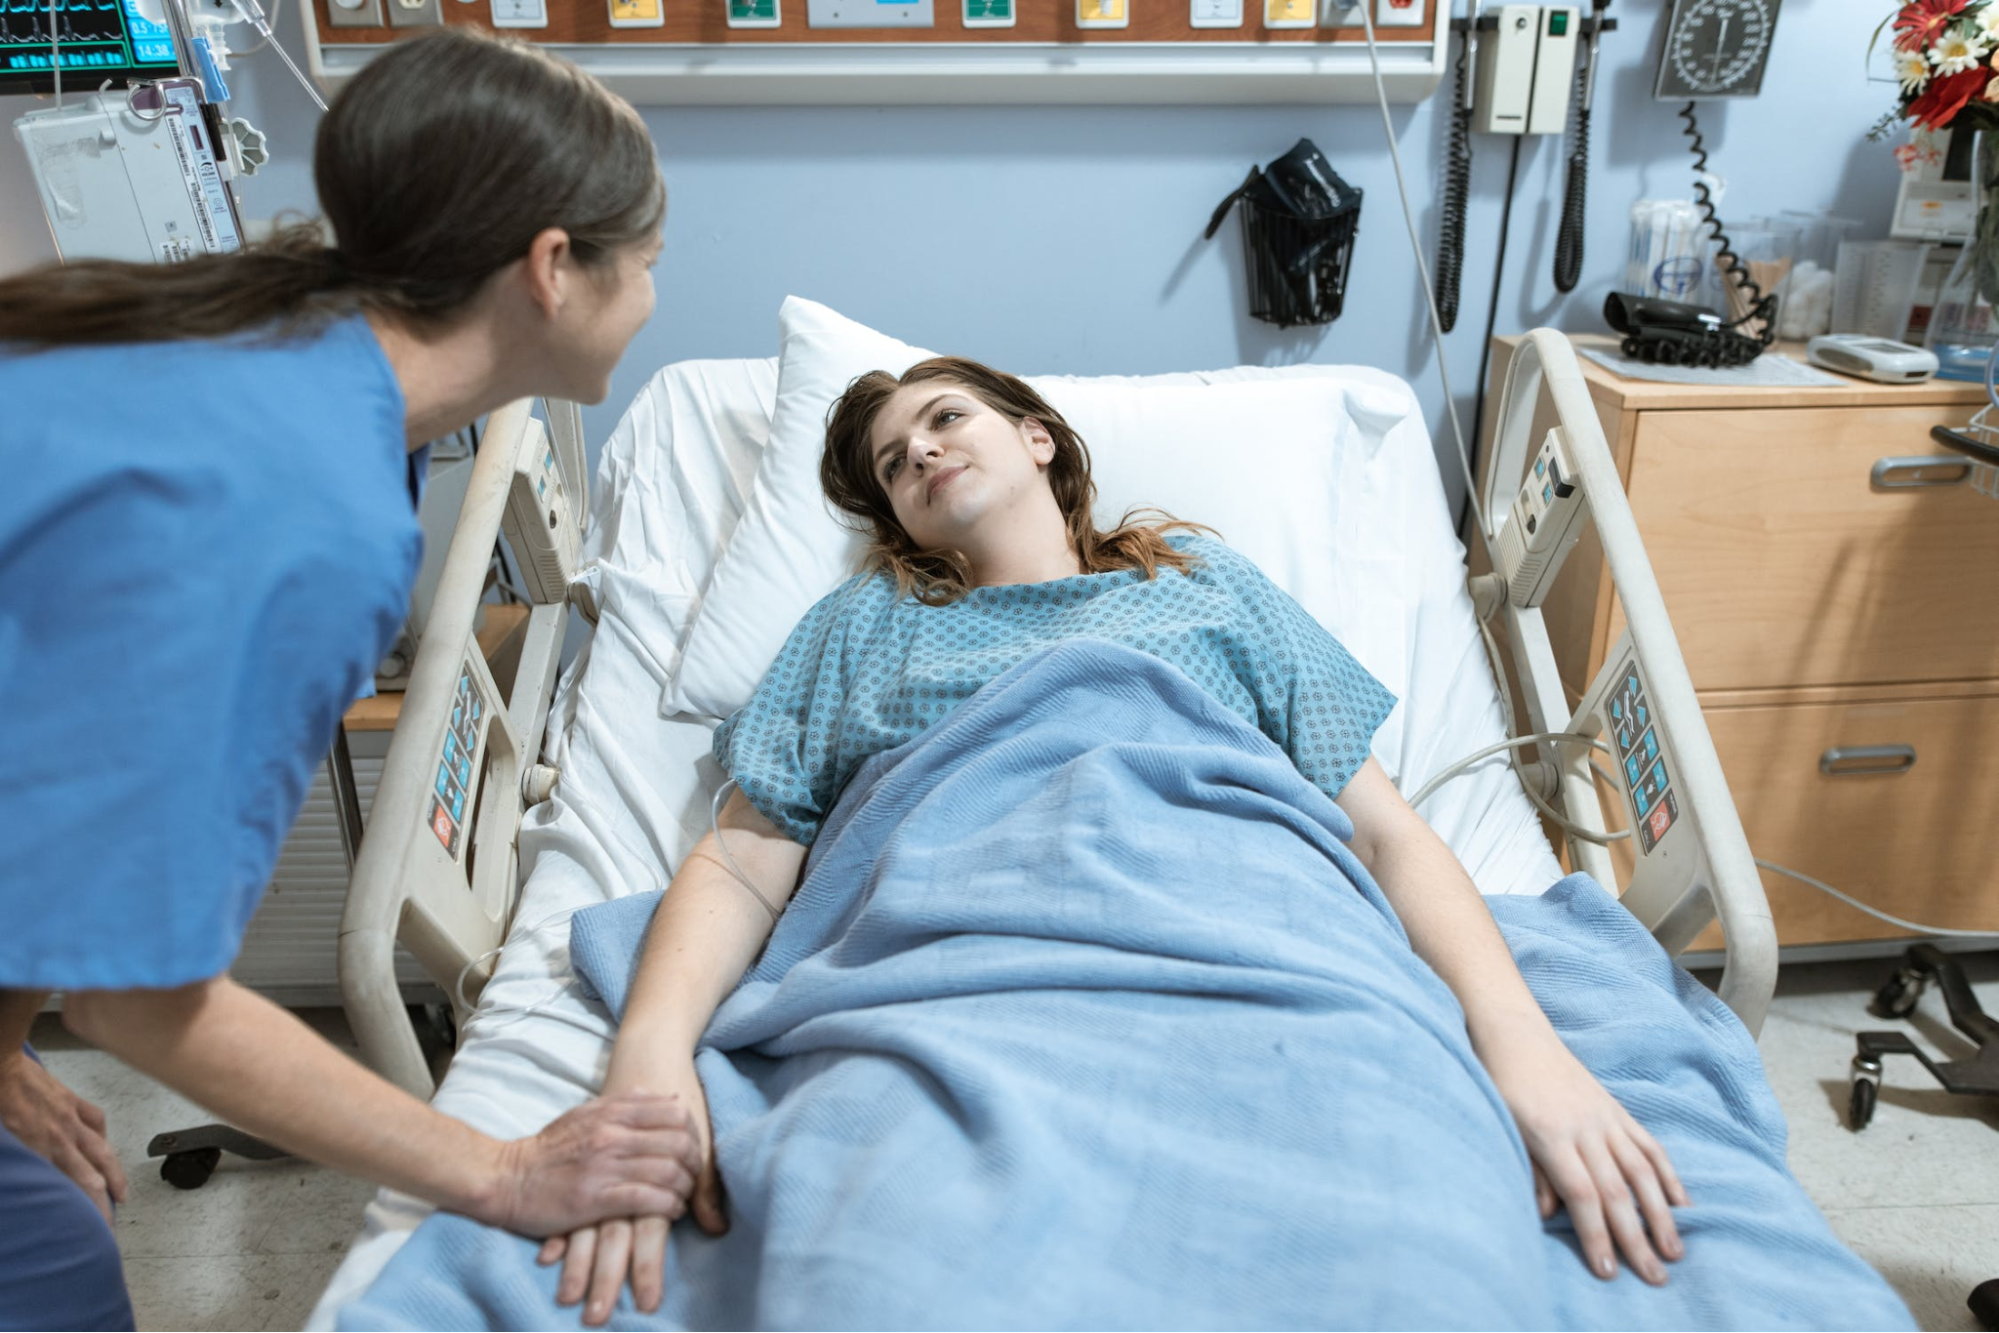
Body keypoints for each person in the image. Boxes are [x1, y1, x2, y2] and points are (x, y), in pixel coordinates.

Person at [539, 357, 1693, 1325]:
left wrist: (1523, 1049)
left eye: (946, 419)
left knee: (1407, 1233)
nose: (923, 454)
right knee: (894, 1250)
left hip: (1271, 952)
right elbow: (742, 858)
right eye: (894, 465)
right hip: (952, 976)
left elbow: (1387, 836)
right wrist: (649, 1055)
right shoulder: (862, 624)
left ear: (1038, 439)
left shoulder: (1205, 586)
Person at [0, 30, 703, 1332]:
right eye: (648, 264)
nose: (656, 296)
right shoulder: (303, 509)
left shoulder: (273, 345)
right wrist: (501, 1165)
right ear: (553, 269)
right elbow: (140, 999)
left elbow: (41, 769)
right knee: (49, 1273)